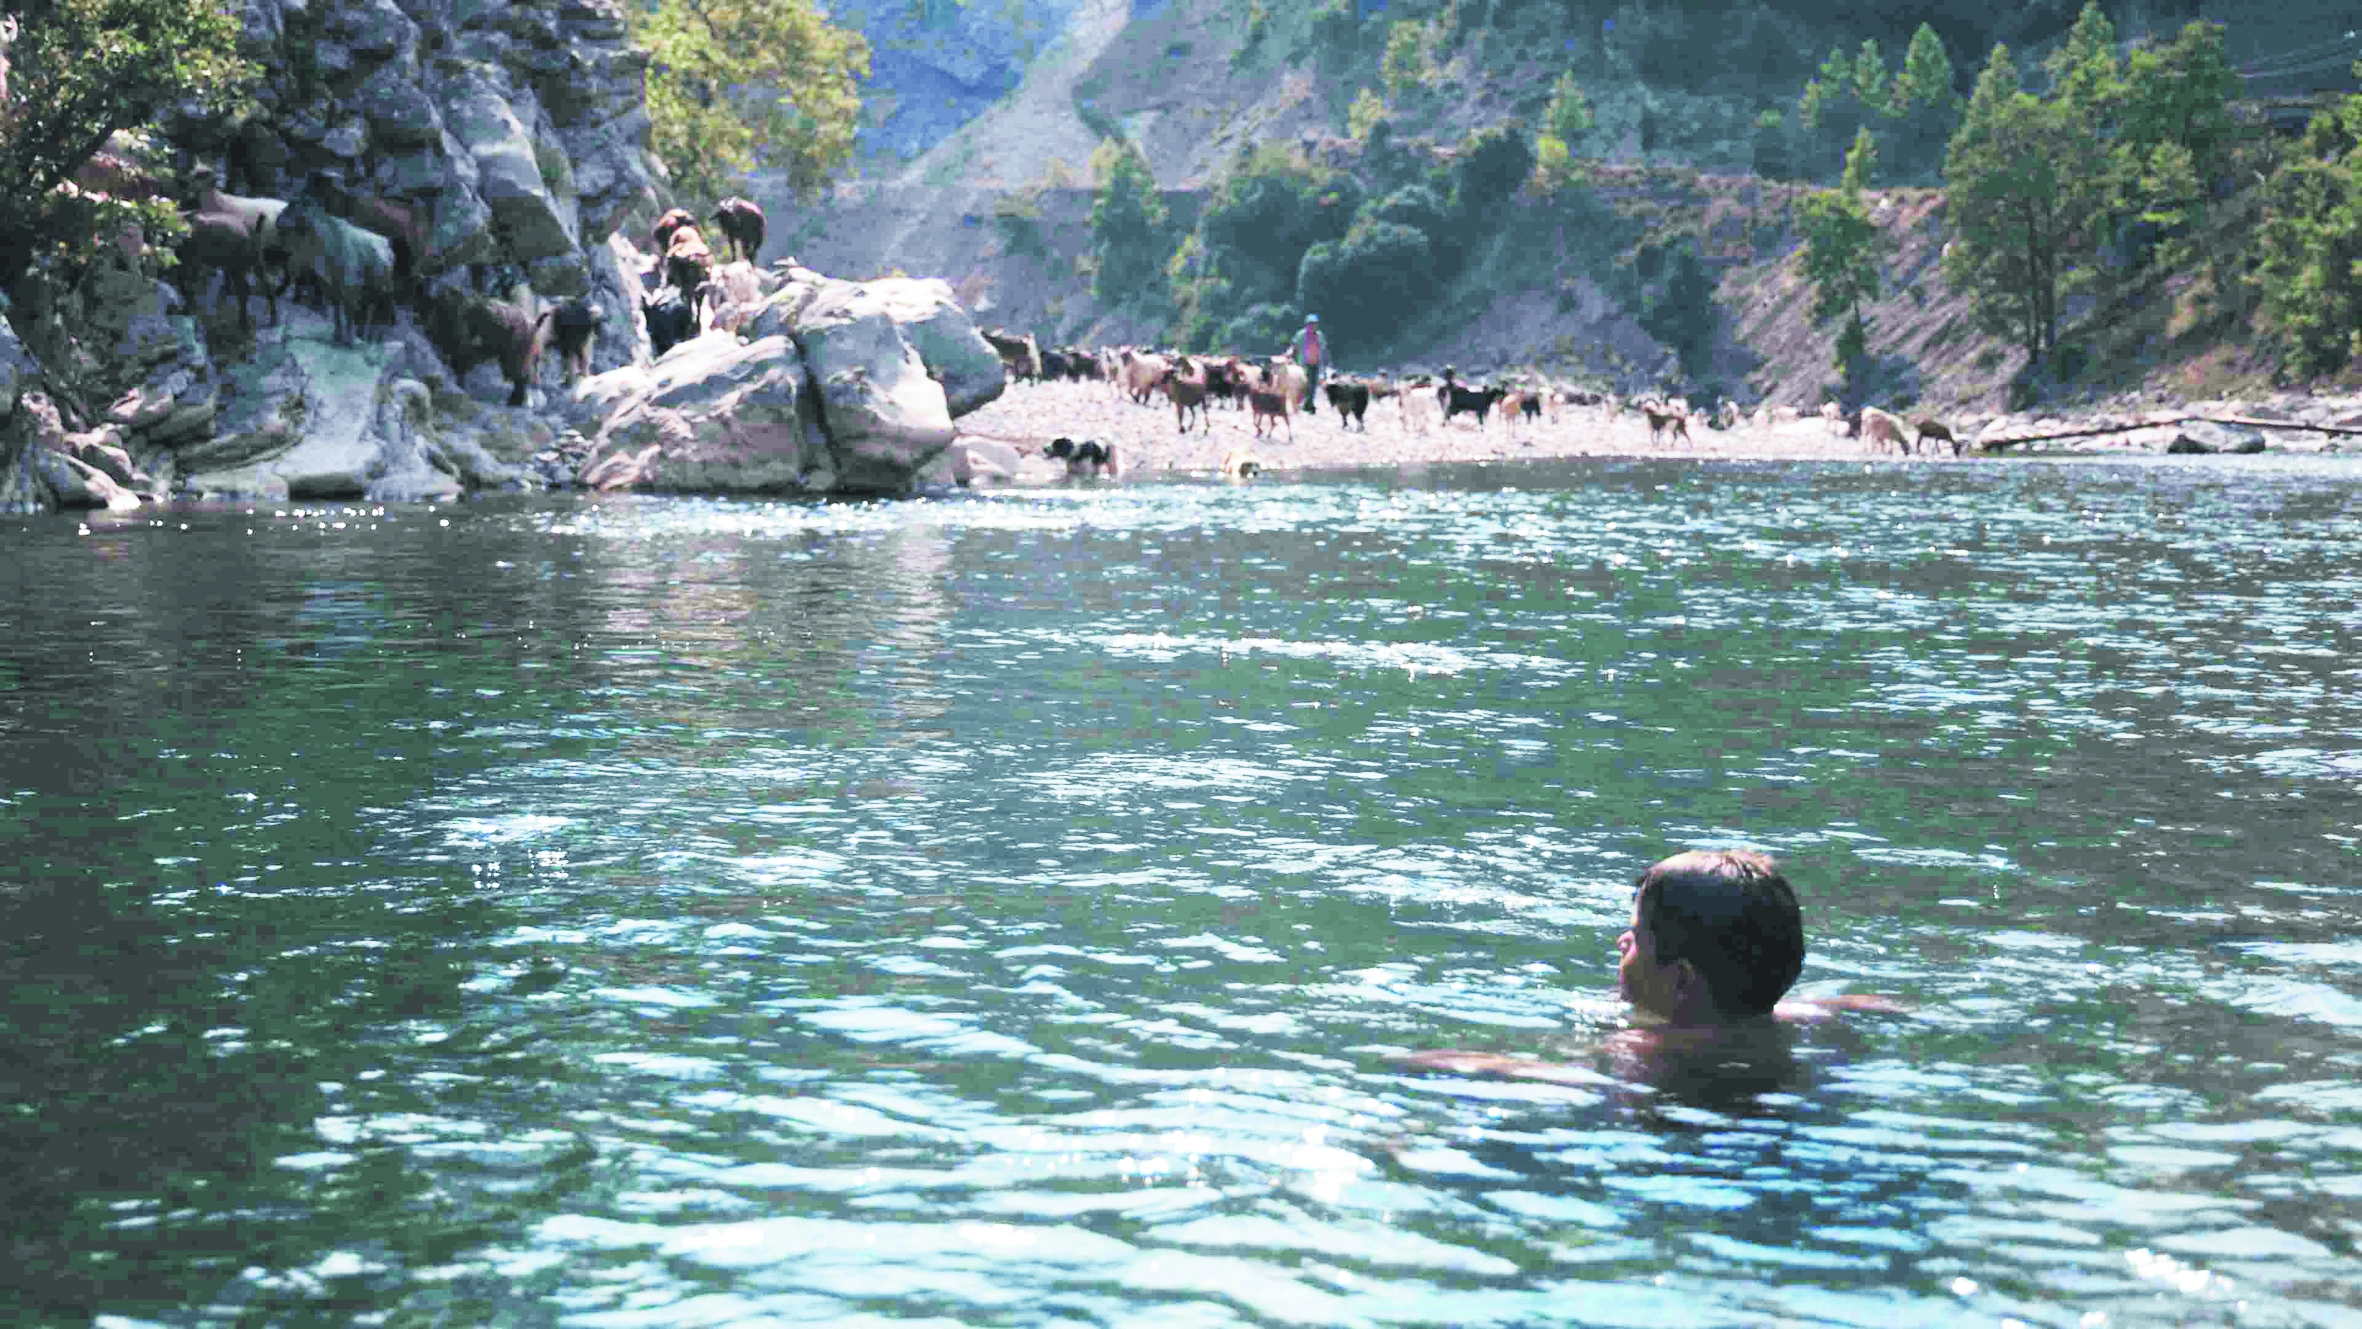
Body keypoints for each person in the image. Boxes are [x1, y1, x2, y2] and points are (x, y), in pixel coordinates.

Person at [1290, 313, 1327, 414]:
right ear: (1306, 324)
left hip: (1316, 364)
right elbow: (1294, 346)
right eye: (1310, 324)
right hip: (1304, 364)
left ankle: (1309, 405)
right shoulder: (1301, 334)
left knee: (1313, 386)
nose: (1312, 326)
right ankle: (1299, 404)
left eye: (1314, 324)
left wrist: (1324, 365)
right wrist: (1289, 355)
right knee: (1304, 385)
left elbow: (1323, 350)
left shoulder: (1319, 335)